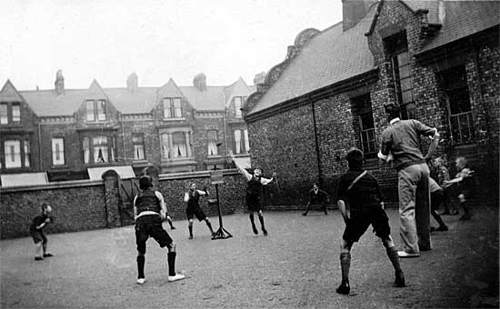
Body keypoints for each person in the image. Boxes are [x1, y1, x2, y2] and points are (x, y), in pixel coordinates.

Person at [336, 148, 405, 295]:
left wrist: (347, 220)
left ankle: (345, 283)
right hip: (376, 210)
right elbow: (381, 203)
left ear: (348, 162)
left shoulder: (344, 178)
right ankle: (399, 273)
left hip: (359, 213)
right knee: (387, 239)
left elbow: (341, 202)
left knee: (345, 244)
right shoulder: (371, 177)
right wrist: (379, 220)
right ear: (362, 161)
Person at [378, 103, 440, 258]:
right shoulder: (413, 123)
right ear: (400, 113)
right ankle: (425, 243)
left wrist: (391, 156)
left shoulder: (387, 132)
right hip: (423, 167)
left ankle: (411, 248)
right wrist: (428, 154)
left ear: (387, 116)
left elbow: (383, 157)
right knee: (424, 206)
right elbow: (435, 133)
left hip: (407, 170)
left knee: (406, 210)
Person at [133, 175, 185, 284]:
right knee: (171, 245)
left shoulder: (136, 197)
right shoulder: (157, 194)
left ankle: (140, 277)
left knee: (140, 251)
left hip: (140, 222)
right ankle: (172, 275)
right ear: (151, 184)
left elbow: (135, 215)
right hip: (153, 220)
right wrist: (159, 219)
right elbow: (164, 213)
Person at [230, 152, 276, 235]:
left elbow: (269, 181)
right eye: (256, 170)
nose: (258, 171)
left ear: (261, 173)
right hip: (250, 197)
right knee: (251, 212)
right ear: (254, 171)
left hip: (256, 198)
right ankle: (253, 225)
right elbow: (241, 169)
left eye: (259, 171)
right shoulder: (249, 177)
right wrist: (234, 160)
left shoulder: (262, 180)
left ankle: (263, 227)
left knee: (260, 213)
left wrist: (273, 177)